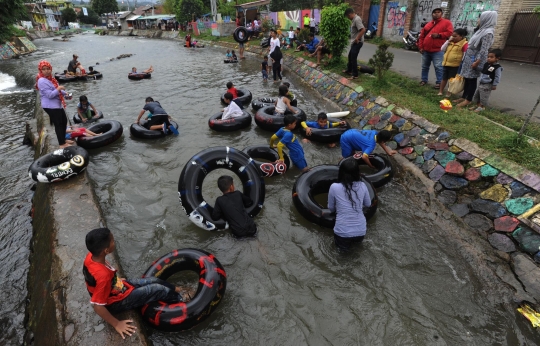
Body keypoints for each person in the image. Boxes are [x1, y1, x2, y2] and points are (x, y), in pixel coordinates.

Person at [83, 228, 191, 339]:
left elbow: (96, 279)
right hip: (116, 302)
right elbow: (97, 307)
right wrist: (117, 324)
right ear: (106, 250)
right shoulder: (103, 276)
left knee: (153, 280)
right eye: (113, 241)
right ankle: (182, 298)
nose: (114, 242)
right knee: (157, 289)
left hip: (116, 287)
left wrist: (114, 281)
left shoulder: (90, 257)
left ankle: (177, 289)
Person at [455, 11, 497, 108]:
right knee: (466, 77)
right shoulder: (481, 30)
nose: (478, 20)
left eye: (480, 18)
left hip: (475, 58)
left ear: (486, 19)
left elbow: (484, 50)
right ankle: (464, 96)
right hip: (469, 56)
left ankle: (468, 99)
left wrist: (477, 62)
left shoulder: (488, 33)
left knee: (471, 79)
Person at [328, 159, 372, 250]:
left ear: (341, 172)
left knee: (343, 257)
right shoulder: (363, 185)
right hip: (360, 230)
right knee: (358, 251)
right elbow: (368, 204)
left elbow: (331, 208)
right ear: (357, 173)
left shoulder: (334, 187)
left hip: (342, 231)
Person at [36, 60, 73, 149]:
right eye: (43, 69)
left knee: (64, 121)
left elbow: (56, 89)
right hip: (50, 106)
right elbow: (50, 94)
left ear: (50, 69)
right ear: (41, 70)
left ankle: (63, 139)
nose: (46, 71)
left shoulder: (50, 78)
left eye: (48, 69)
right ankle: (61, 144)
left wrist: (65, 93)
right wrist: (59, 88)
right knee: (58, 124)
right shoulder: (41, 81)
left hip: (57, 104)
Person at [417, 8, 453, 89]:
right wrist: (421, 47)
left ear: (441, 14)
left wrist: (439, 35)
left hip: (438, 50)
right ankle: (424, 80)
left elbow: (449, 33)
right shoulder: (428, 24)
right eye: (434, 12)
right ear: (432, 14)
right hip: (426, 50)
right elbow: (422, 37)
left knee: (439, 67)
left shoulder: (447, 23)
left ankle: (439, 83)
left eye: (438, 12)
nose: (436, 14)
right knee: (424, 66)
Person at [439, 28, 468, 96]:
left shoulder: (464, 44)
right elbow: (442, 49)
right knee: (444, 78)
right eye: (452, 36)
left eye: (455, 36)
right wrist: (448, 41)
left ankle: (449, 92)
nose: (453, 37)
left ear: (461, 36)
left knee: (451, 80)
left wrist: (462, 64)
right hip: (446, 63)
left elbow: (465, 55)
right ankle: (440, 91)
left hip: (455, 65)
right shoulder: (450, 42)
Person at [343, 8, 366, 80]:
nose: (348, 18)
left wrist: (357, 38)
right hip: (354, 42)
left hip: (358, 42)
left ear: (349, 14)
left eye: (347, 16)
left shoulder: (357, 19)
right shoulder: (354, 20)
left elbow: (363, 29)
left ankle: (355, 75)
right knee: (350, 56)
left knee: (353, 57)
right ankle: (349, 71)